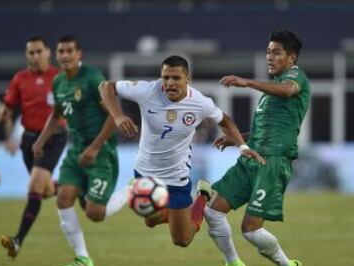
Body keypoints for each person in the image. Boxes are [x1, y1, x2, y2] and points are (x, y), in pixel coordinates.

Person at [99, 55, 264, 248]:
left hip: (177, 176)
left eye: (176, 78)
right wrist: (118, 116)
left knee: (182, 240)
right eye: (165, 77)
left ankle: (202, 196)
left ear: (188, 79)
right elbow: (105, 86)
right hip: (146, 171)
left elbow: (226, 121)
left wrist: (242, 147)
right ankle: (149, 197)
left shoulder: (200, 103)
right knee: (151, 221)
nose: (169, 83)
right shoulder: (147, 90)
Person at [203, 30, 310, 266]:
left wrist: (247, 83)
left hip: (273, 161)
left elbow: (287, 91)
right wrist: (236, 139)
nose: (270, 57)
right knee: (212, 211)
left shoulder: (295, 78)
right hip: (252, 156)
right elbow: (268, 130)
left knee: (250, 230)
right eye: (268, 51)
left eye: (276, 52)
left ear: (291, 57)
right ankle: (233, 264)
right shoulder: (270, 93)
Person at [32, 35, 124, 266]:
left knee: (95, 213)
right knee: (63, 199)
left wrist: (94, 147)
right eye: (61, 51)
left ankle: (133, 191)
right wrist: (40, 141)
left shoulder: (93, 78)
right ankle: (82, 258)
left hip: (101, 151)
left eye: (69, 51)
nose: (64, 55)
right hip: (75, 152)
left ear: (78, 54)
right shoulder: (58, 82)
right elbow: (56, 115)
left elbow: (114, 115)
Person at [0, 36, 67, 258]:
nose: (35, 56)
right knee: (44, 190)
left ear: (48, 52)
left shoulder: (60, 77)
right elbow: (9, 106)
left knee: (35, 186)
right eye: (31, 53)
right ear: (27, 55)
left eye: (39, 52)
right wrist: (4, 119)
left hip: (54, 137)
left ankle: (17, 240)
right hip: (28, 139)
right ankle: (72, 184)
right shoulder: (20, 79)